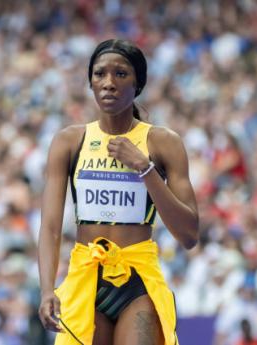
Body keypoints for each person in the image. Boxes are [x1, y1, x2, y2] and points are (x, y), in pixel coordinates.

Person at [37, 39, 199, 345]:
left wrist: (145, 169)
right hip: (85, 276)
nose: (108, 83)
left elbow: (189, 234)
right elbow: (49, 227)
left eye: (120, 74)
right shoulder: (69, 141)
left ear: (138, 82)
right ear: (90, 81)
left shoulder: (163, 143)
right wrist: (47, 289)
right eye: (100, 74)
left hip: (137, 279)